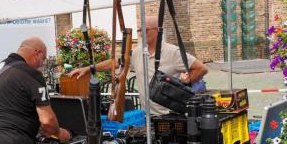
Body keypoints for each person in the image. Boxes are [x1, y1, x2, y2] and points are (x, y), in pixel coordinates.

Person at [68, 15, 208, 115]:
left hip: (170, 115)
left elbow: (201, 68)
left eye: (146, 30)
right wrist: (88, 68)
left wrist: (187, 81)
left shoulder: (172, 52)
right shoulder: (138, 52)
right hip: (146, 115)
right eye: (140, 31)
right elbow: (115, 62)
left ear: (157, 31)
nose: (142, 34)